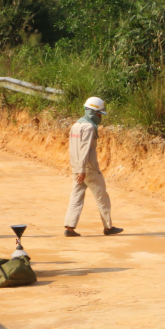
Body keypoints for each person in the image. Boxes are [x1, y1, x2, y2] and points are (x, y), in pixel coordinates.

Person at [64, 97, 123, 237]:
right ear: (94, 113)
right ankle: (108, 227)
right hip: (88, 168)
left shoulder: (76, 125)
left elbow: (73, 149)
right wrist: (83, 170)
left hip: (76, 166)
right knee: (102, 196)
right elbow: (85, 150)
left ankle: (69, 227)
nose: (99, 117)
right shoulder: (89, 127)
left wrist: (78, 169)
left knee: (76, 196)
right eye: (99, 114)